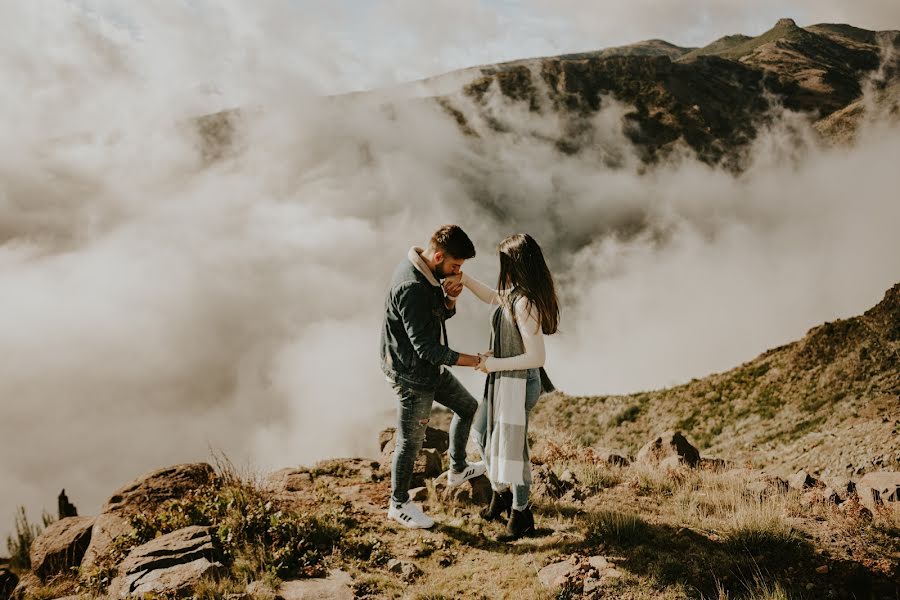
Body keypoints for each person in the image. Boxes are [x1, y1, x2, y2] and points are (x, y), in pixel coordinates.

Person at [452, 233, 559, 539]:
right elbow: (492, 297)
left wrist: (494, 364)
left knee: (515, 451)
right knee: (482, 433)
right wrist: (464, 278)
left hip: (519, 383)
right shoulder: (516, 294)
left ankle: (522, 513)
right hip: (501, 381)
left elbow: (536, 356)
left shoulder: (525, 303)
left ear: (515, 263)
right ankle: (501, 493)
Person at [380, 225, 488, 529]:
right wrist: (477, 361)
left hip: (427, 368)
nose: (457, 272)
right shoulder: (412, 286)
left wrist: (449, 299)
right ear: (438, 256)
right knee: (409, 442)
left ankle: (458, 469)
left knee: (467, 407)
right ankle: (398, 504)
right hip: (412, 375)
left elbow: (434, 318)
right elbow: (427, 348)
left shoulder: (426, 274)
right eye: (454, 265)